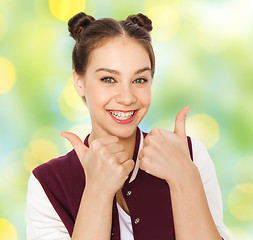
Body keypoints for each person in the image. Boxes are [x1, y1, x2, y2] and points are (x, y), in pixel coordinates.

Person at [26, 12, 230, 240]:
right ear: (79, 82)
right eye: (109, 79)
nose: (126, 97)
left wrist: (184, 178)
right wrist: (97, 191)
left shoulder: (189, 156)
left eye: (139, 80)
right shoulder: (48, 183)